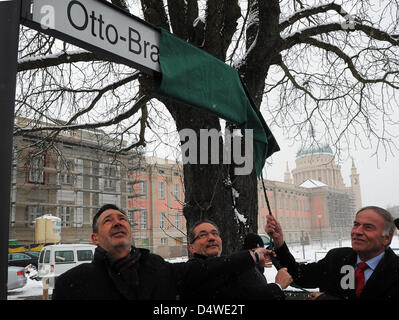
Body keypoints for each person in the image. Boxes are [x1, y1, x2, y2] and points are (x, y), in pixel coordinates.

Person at [52, 204, 270, 300]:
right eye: (108, 221)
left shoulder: (154, 267)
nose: (117, 223)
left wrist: (251, 256)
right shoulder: (72, 283)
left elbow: (204, 269)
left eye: (122, 219)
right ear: (95, 238)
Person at [266, 206, 399, 300]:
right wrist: (279, 243)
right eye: (356, 224)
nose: (357, 231)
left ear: (387, 237)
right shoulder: (337, 258)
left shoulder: (395, 270)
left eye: (368, 227)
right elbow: (299, 275)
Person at [179, 220, 293, 300]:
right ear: (191, 247)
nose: (211, 238)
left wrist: (257, 266)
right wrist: (278, 286)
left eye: (215, 234)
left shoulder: (225, 269)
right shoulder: (194, 273)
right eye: (202, 235)